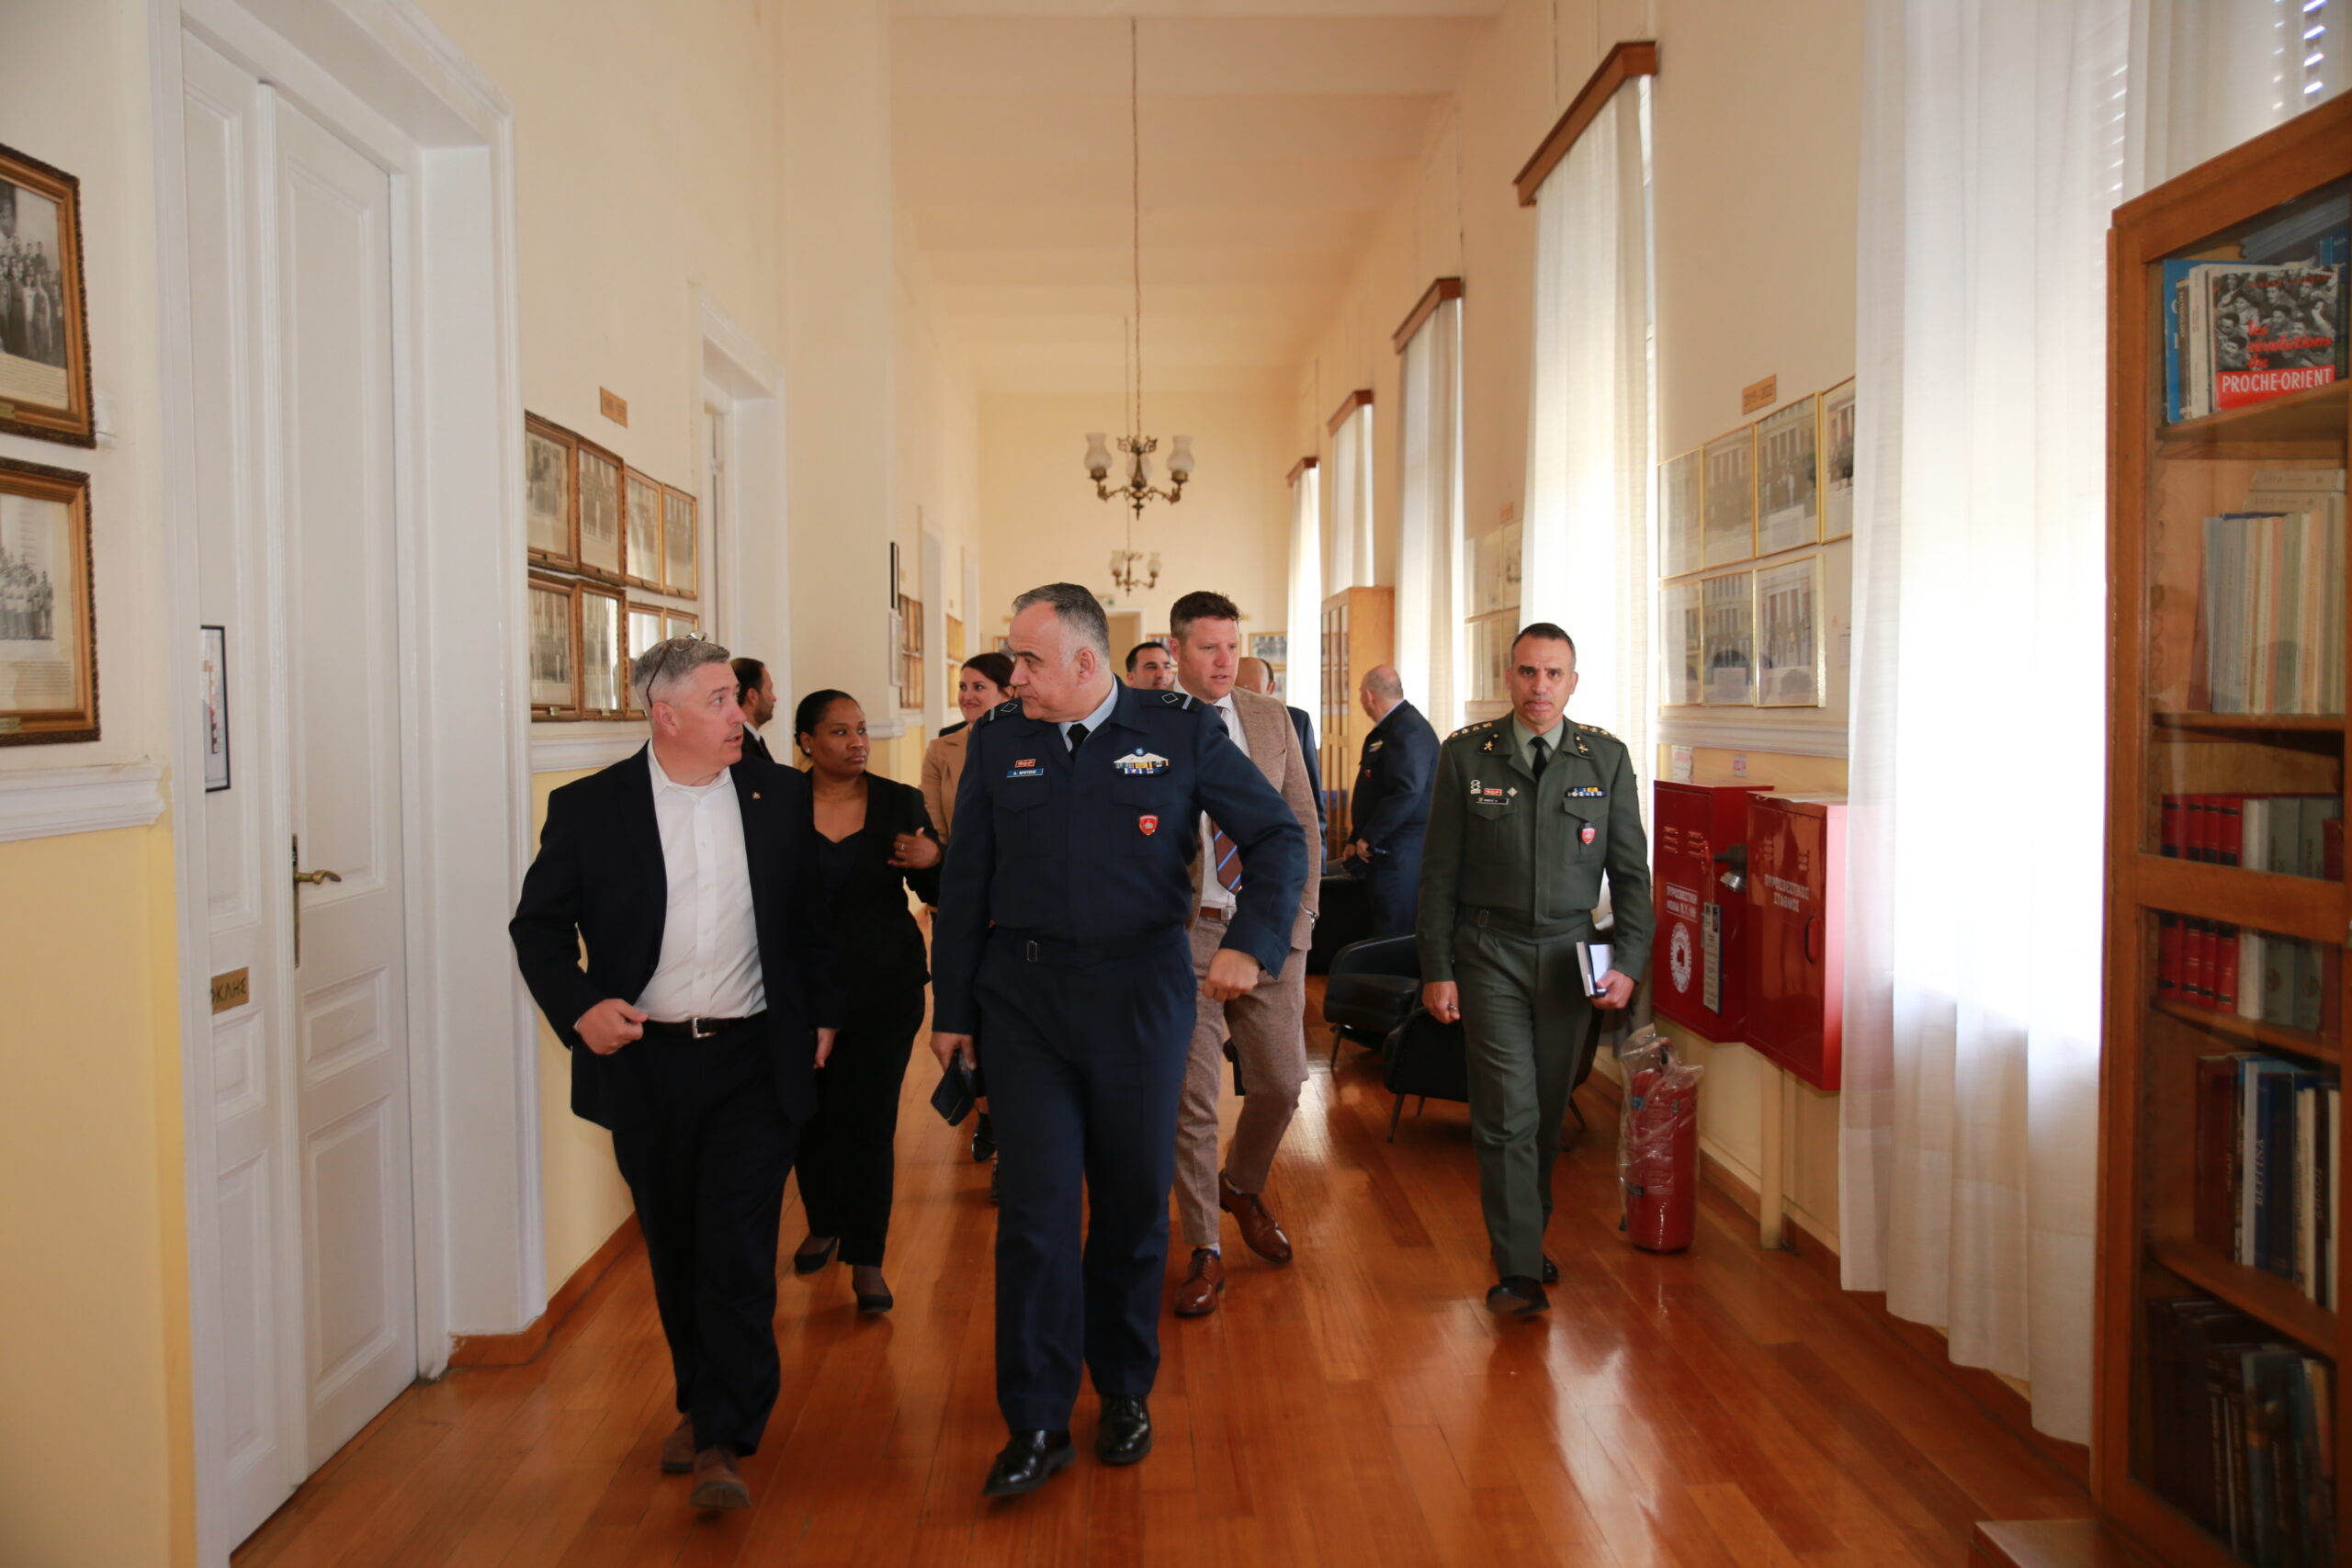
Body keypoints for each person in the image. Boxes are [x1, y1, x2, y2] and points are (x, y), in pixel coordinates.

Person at [931, 582, 1306, 1498]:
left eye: (1027, 662)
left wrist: (1254, 944)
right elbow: (965, 879)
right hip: (1024, 1001)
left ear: (1084, 662)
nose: (1012, 678)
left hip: (1140, 994)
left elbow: (1279, 838)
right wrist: (951, 1011)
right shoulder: (999, 741)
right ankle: (1036, 1418)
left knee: (1134, 1205)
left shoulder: (1178, 730)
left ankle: (1125, 1389)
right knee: (1036, 1213)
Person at [509, 637, 842, 1511]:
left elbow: (809, 920)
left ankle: (723, 1433)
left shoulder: (778, 797)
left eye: (737, 696)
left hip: (752, 1057)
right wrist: (581, 1006)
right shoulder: (591, 808)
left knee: (737, 1247)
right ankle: (702, 1399)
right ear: (666, 715)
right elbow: (538, 928)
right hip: (646, 1062)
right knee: (677, 1243)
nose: (741, 713)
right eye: (721, 700)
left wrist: (823, 1015)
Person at [1415, 623, 1651, 1316]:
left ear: (1572, 682)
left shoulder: (1605, 759)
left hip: (1568, 955)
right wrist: (1436, 965)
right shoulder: (1467, 755)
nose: (1539, 687)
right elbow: (1438, 872)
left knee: (1546, 1114)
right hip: (1488, 951)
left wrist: (1629, 961)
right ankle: (1517, 1268)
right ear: (1508, 676)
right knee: (1505, 1112)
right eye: (1526, 672)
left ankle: (1526, 1233)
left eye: (1553, 674)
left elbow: (1631, 875)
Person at [1162, 592, 1321, 1318]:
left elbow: (1303, 826)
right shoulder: (1150, 725)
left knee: (1283, 1081)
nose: (1225, 661)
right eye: (1208, 648)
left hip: (1268, 929)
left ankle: (1242, 1183)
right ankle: (1205, 1247)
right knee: (1192, 1101)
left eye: (1232, 646)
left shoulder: (1270, 718)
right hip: (1187, 935)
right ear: (1176, 651)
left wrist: (1300, 921)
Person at [786, 690, 942, 1314]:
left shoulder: (899, 802)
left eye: (861, 730)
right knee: (807, 1115)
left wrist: (934, 858)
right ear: (806, 742)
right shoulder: (777, 803)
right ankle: (824, 1222)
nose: (856, 742)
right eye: (839, 731)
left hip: (882, 987)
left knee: (868, 1121)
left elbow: (935, 888)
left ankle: (868, 1256)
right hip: (798, 991)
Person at [919, 650, 1017, 1175]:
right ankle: (988, 1115)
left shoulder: (1031, 742)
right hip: (964, 903)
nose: (968, 696)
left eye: (980, 687)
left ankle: (1010, 1134)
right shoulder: (944, 748)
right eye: (963, 686)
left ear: (1008, 692)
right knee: (968, 1020)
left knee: (1008, 1027)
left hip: (1019, 909)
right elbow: (937, 832)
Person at [1340, 666, 1438, 936]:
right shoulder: (1390, 728)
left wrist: (1369, 836)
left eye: (1360, 694)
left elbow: (1406, 791)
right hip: (1383, 847)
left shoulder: (1408, 728)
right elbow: (1375, 790)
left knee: (1394, 930)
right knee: (1379, 923)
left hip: (1400, 851)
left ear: (1368, 696)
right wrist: (1356, 837)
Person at [1238, 655, 1323, 840]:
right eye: (1238, 691)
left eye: (1252, 692)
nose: (1244, 699)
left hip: (1281, 838)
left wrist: (1319, 851)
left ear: (1270, 688)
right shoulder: (1214, 718)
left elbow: (1310, 797)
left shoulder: (1295, 721)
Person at [731, 656, 778, 764]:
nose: (774, 698)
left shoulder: (754, 740)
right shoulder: (739, 744)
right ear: (752, 696)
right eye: (769, 690)